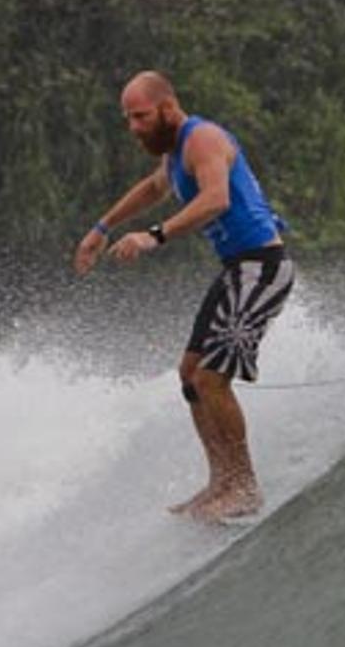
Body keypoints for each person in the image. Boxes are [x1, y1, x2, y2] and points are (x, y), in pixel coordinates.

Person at [73, 71, 295, 523]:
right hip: (237, 269)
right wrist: (102, 227)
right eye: (128, 119)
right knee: (191, 374)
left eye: (140, 116)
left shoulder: (204, 139)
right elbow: (154, 188)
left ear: (167, 108)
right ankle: (221, 481)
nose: (133, 127)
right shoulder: (175, 154)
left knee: (212, 378)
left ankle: (244, 486)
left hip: (263, 267)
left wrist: (154, 236)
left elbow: (216, 200)